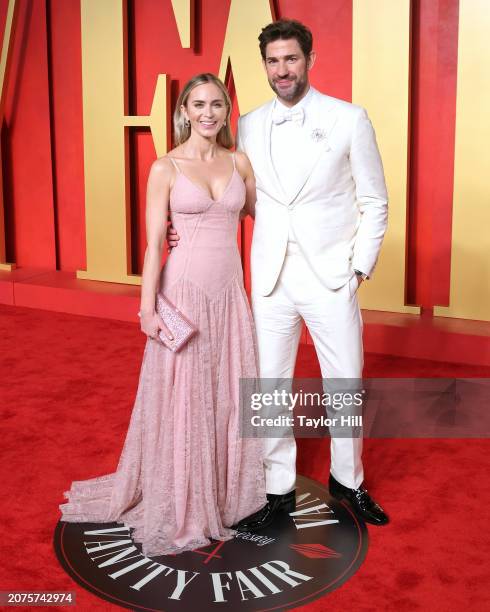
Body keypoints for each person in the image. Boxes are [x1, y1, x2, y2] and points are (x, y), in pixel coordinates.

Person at [168, 19, 389, 528]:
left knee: (345, 385)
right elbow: (229, 194)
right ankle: (276, 491)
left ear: (309, 59)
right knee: (268, 387)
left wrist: (358, 268)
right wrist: (184, 228)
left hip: (331, 275)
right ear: (264, 66)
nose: (282, 69)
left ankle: (348, 482)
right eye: (273, 61)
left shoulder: (349, 118)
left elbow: (375, 200)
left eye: (291, 58)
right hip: (269, 278)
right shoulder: (246, 123)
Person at [59, 73, 267, 556]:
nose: (209, 113)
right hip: (184, 295)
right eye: (199, 105)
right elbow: (154, 244)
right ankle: (184, 501)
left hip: (230, 297)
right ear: (184, 111)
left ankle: (223, 491)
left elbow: (262, 215)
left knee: (227, 392)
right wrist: (147, 308)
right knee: (186, 396)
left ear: (226, 109)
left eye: (217, 104)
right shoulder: (165, 167)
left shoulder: (240, 162)